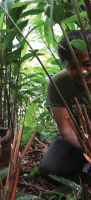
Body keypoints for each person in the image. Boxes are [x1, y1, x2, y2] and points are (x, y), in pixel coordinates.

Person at [40, 30, 91, 179]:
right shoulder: (58, 83)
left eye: (88, 64)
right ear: (64, 65)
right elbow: (67, 131)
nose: (82, 71)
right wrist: (88, 147)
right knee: (50, 167)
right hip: (77, 141)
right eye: (73, 66)